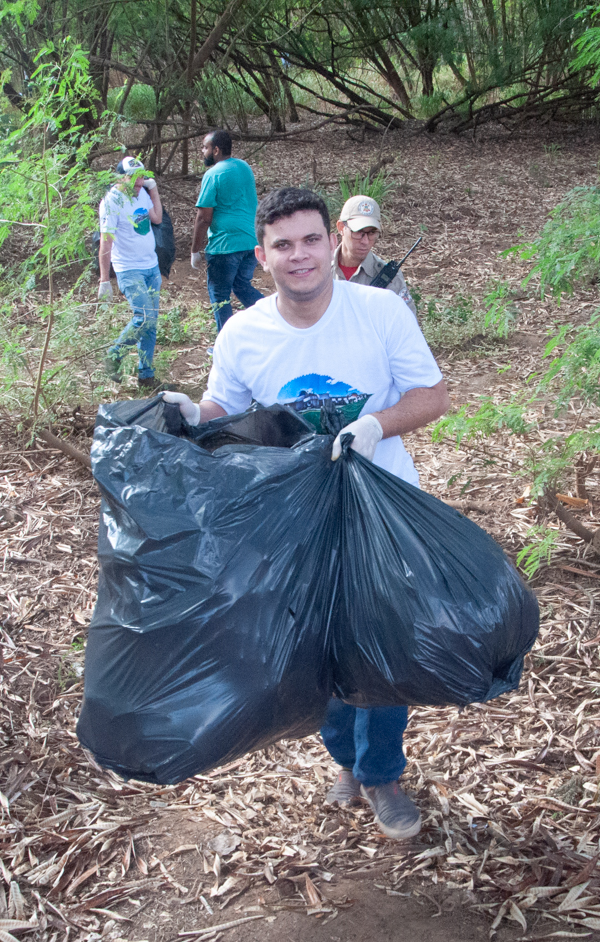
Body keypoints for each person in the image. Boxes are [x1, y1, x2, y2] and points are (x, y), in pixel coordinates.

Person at [160, 187, 450, 839]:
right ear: (261, 257)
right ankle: (345, 757)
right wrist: (188, 414)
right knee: (314, 653)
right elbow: (223, 413)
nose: (299, 256)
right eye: (283, 245)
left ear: (331, 242)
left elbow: (433, 395)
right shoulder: (244, 333)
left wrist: (377, 424)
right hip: (294, 517)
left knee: (385, 647)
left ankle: (382, 773)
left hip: (381, 509)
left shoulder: (378, 312)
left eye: (311, 240)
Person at [98, 156, 165, 390]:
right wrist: (104, 280)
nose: (139, 183)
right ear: (121, 177)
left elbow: (156, 217)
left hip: (151, 267)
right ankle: (114, 355)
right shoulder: (112, 201)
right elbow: (106, 242)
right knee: (144, 317)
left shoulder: (142, 193)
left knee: (151, 322)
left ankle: (146, 375)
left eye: (142, 179)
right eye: (134, 180)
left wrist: (152, 189)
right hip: (129, 269)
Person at [191, 130, 261, 331]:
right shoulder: (244, 167)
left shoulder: (213, 174)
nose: (203, 151)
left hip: (225, 245)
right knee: (242, 286)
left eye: (205, 147)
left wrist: (195, 249)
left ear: (216, 150)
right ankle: (276, 319)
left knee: (220, 296)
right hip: (250, 241)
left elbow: (204, 217)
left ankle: (224, 343)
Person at [331, 194, 415, 316]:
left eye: (372, 233)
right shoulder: (320, 270)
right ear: (341, 227)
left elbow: (407, 324)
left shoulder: (390, 278)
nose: (365, 241)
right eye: (358, 232)